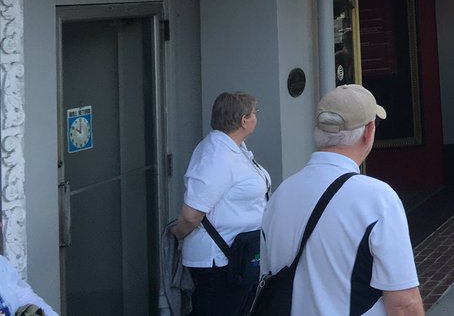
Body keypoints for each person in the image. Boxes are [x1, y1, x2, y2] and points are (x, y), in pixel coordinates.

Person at [262, 84, 423, 315]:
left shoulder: (280, 195)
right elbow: (404, 303)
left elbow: (267, 277)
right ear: (369, 132)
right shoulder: (378, 198)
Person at [172, 91, 271, 316]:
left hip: (237, 256)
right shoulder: (216, 155)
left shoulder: (235, 149)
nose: (257, 117)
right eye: (255, 113)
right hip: (218, 261)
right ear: (244, 120)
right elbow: (191, 214)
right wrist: (177, 234)